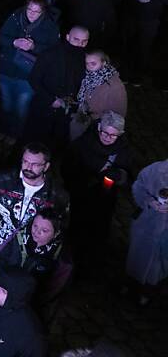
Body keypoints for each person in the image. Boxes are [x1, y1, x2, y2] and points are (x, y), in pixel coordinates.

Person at [0, 144, 70, 259]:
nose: (28, 167)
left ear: (46, 166)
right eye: (25, 162)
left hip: (27, 254)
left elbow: (60, 226)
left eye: (35, 164)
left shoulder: (57, 195)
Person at [66, 111, 129, 276]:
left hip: (105, 201)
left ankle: (90, 264)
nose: (108, 137)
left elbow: (128, 174)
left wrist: (120, 176)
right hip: (81, 197)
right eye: (105, 132)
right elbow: (67, 169)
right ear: (99, 127)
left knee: (98, 231)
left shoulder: (122, 150)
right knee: (77, 229)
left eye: (113, 135)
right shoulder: (82, 144)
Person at [0, 0, 60, 143]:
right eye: (29, 9)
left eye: (36, 11)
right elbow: (1, 36)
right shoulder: (15, 17)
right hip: (7, 70)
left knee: (21, 107)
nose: (31, 13)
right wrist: (14, 42)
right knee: (6, 104)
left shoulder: (50, 27)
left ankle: (14, 135)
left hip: (29, 76)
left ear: (43, 12)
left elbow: (53, 52)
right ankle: (2, 129)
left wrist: (34, 47)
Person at [23, 26, 89, 147]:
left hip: (65, 112)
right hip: (43, 108)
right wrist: (51, 99)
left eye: (84, 41)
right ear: (68, 37)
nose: (80, 44)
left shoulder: (84, 58)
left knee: (56, 143)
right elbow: (34, 79)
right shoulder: (50, 54)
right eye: (76, 40)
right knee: (33, 140)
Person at [126, 160, 168, 305]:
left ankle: (147, 292)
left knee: (156, 266)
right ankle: (131, 284)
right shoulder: (156, 169)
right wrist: (149, 201)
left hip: (165, 233)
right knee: (137, 257)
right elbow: (138, 186)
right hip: (146, 224)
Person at [67, 50, 127, 140]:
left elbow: (119, 112)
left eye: (93, 63)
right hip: (83, 119)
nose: (89, 67)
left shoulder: (114, 85)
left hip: (100, 126)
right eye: (87, 63)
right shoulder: (88, 77)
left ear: (103, 63)